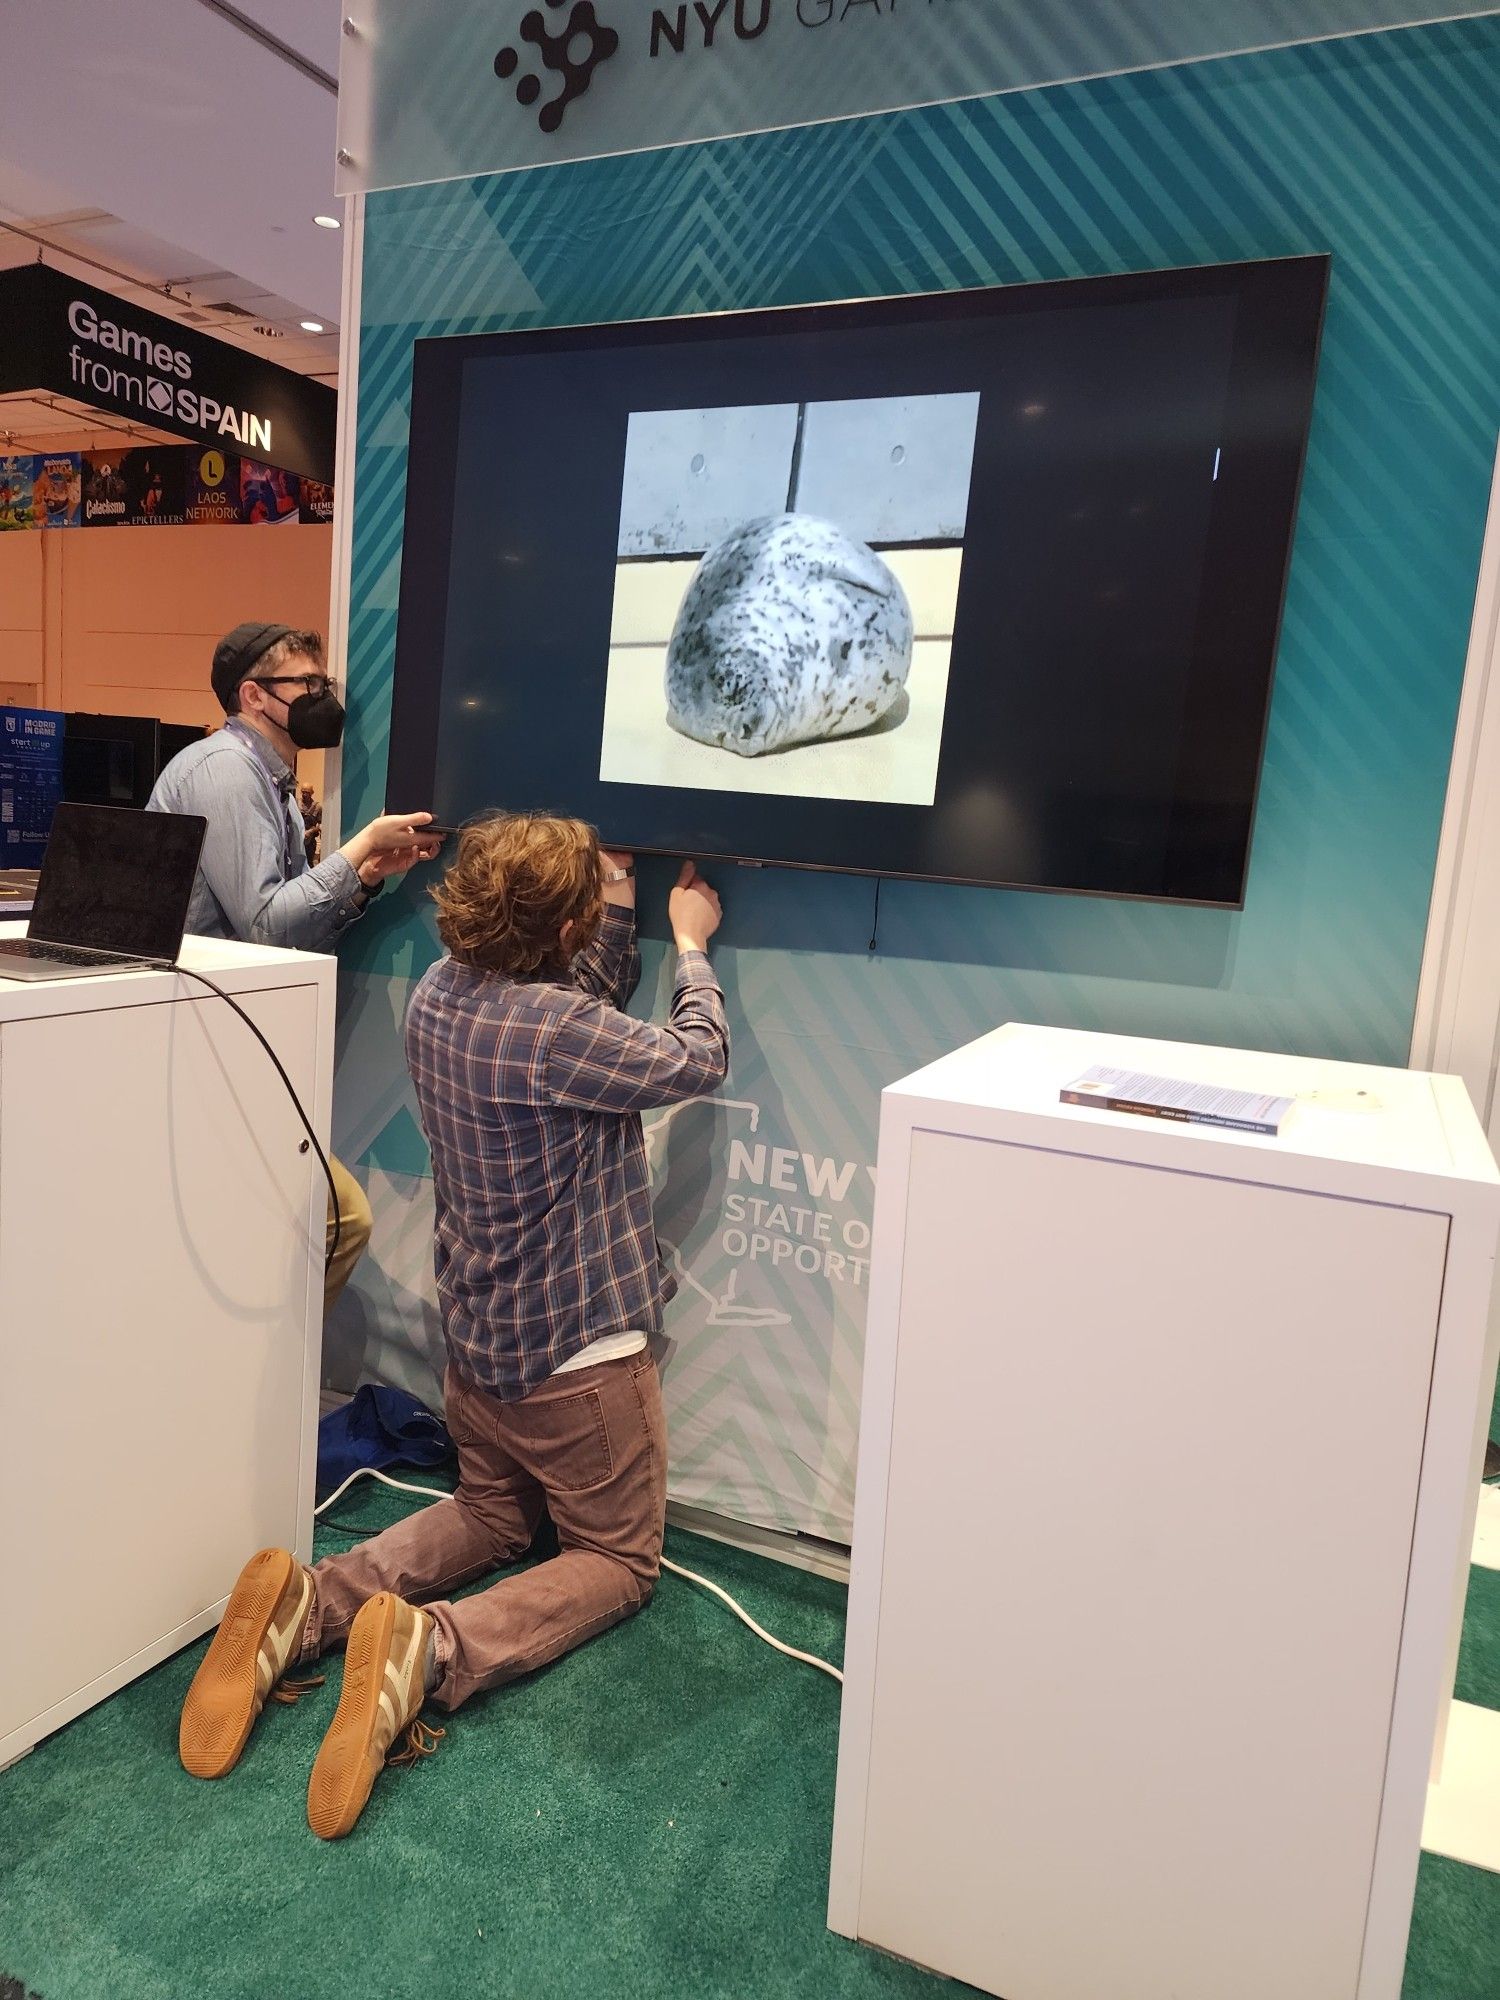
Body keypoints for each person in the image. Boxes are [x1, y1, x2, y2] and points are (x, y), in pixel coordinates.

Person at [177, 813, 728, 1838]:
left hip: (477, 1344)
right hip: (580, 1360)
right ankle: (428, 1649)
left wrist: (604, 900)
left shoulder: (440, 996)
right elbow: (695, 1060)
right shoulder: (562, 1032)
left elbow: (570, 1009)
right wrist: (690, 945)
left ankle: (315, 1601)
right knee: (617, 1559)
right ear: (560, 927)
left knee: (491, 1511)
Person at [148, 621, 443, 1313]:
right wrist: (359, 845)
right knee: (342, 1221)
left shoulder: (269, 779)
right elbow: (264, 927)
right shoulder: (225, 771)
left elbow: (287, 926)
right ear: (253, 696)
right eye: (305, 685)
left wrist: (362, 878)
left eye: (323, 684)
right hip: (203, 1039)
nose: (322, 697)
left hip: (236, 1034)